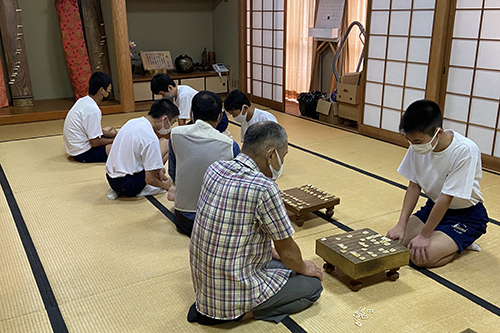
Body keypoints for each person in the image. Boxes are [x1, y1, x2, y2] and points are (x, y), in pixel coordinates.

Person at [188, 121, 323, 325]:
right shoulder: (264, 188)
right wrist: (303, 266)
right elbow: (288, 252)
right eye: (283, 156)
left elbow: (233, 229)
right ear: (271, 155)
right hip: (232, 295)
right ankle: (244, 314)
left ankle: (217, 310)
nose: (282, 163)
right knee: (312, 286)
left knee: (281, 263)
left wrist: (275, 253)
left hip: (205, 290)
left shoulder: (215, 168)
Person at [386, 99, 489, 268]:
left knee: (420, 257)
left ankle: (463, 239)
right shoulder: (417, 146)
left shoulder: (465, 151)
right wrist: (400, 225)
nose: (413, 146)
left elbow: (446, 198)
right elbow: (414, 186)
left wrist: (425, 235)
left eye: (417, 141)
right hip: (433, 208)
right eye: (409, 141)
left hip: (466, 215)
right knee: (394, 244)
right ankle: (443, 235)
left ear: (438, 132)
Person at [168, 91, 240, 237]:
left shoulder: (175, 134)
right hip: (219, 224)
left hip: (185, 221)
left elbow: (173, 173)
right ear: (220, 117)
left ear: (191, 113)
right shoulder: (230, 145)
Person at [105, 99, 179, 200]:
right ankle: (136, 191)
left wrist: (159, 172)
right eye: (172, 122)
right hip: (128, 185)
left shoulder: (132, 122)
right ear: (165, 119)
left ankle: (118, 190)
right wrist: (166, 186)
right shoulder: (150, 137)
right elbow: (150, 179)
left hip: (111, 179)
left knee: (161, 145)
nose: (171, 127)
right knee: (165, 143)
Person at [63, 72, 116, 163]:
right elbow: (94, 142)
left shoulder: (83, 100)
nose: (110, 93)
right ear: (102, 90)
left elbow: (93, 130)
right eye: (109, 90)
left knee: (111, 130)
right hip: (83, 153)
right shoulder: (93, 110)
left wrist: (114, 136)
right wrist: (114, 140)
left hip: (74, 149)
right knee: (119, 146)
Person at [150, 73, 229, 132]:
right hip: (202, 118)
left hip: (216, 119)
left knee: (188, 133)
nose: (163, 97)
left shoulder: (183, 96)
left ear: (170, 88)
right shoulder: (178, 91)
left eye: (162, 94)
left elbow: (182, 122)